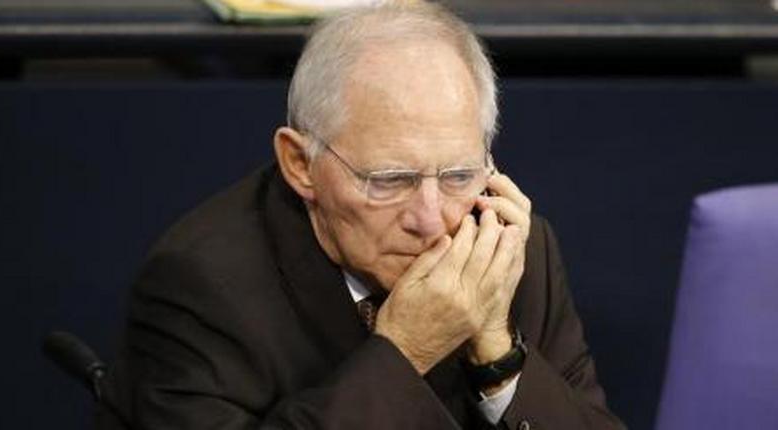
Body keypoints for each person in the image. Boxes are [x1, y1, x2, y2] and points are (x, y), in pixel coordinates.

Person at [101, 3, 626, 429]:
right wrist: (403, 353)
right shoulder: (201, 287)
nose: (431, 219)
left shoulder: (509, 247)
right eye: (389, 180)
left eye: (459, 175)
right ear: (300, 163)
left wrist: (498, 357)